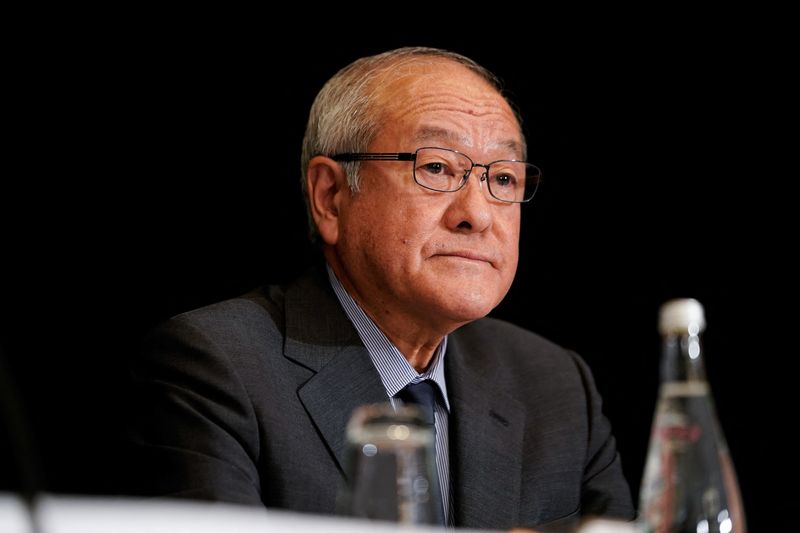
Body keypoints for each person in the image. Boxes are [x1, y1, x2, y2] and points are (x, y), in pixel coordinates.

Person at [128, 47, 634, 530]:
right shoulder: (218, 367)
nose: (477, 215)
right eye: (436, 168)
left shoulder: (555, 385)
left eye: (502, 179)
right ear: (330, 197)